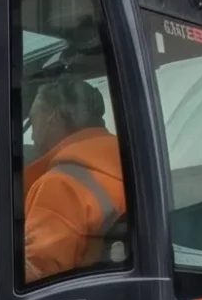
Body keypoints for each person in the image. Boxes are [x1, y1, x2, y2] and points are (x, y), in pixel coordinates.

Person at [21, 76, 126, 282]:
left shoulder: (60, 184)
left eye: (33, 120)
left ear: (54, 117)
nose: (32, 136)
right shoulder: (129, 163)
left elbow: (35, 275)